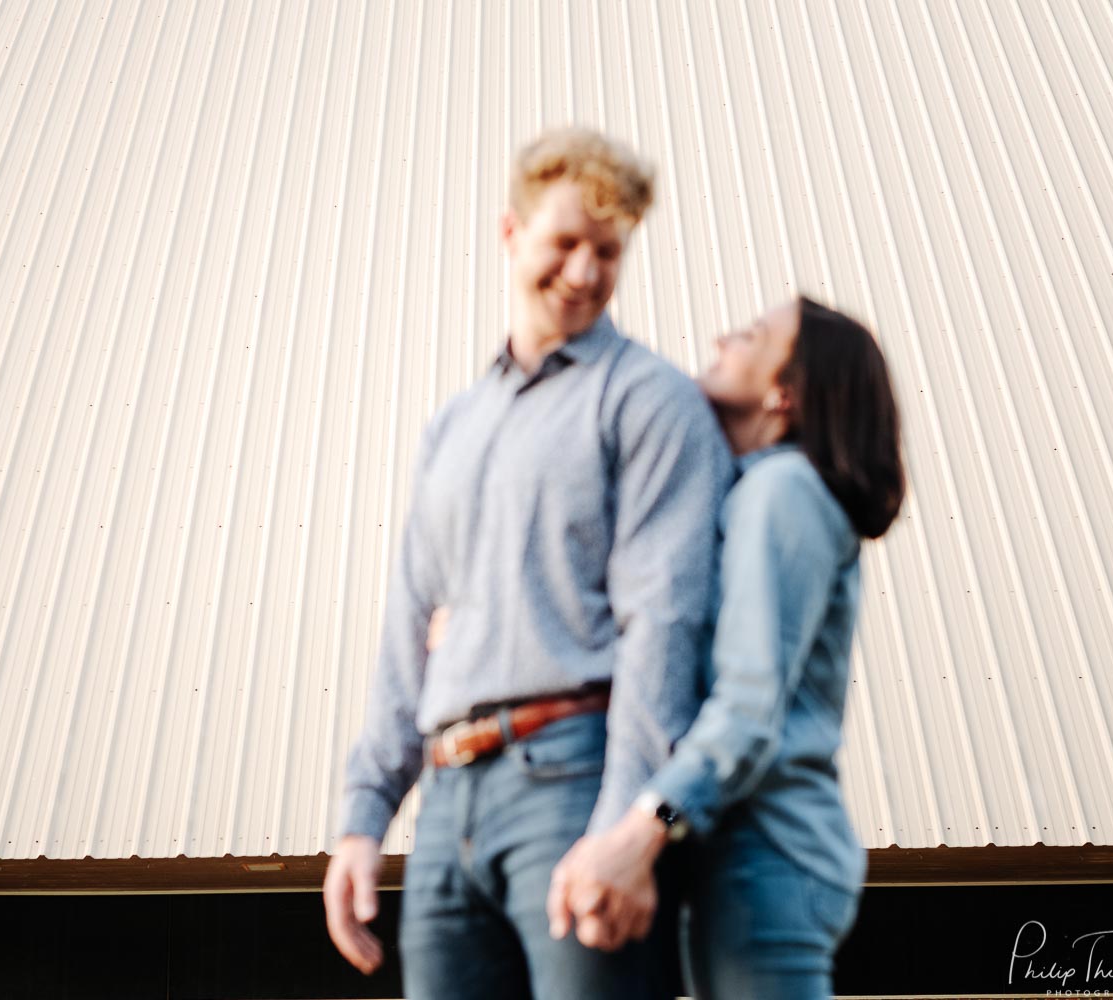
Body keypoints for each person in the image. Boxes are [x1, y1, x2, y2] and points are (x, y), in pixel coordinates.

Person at [321, 128, 732, 999]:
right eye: (565, 243)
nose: (585, 271)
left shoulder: (651, 403)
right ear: (509, 234)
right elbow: (408, 623)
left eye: (608, 252)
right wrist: (364, 819)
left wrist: (626, 830)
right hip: (446, 805)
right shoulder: (455, 426)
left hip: (576, 781)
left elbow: (665, 625)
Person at [547, 296, 906, 1000]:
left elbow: (746, 711)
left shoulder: (783, 493)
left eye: (750, 335)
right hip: (739, 859)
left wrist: (644, 829)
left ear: (785, 391)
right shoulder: (749, 493)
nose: (721, 337)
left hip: (770, 856)